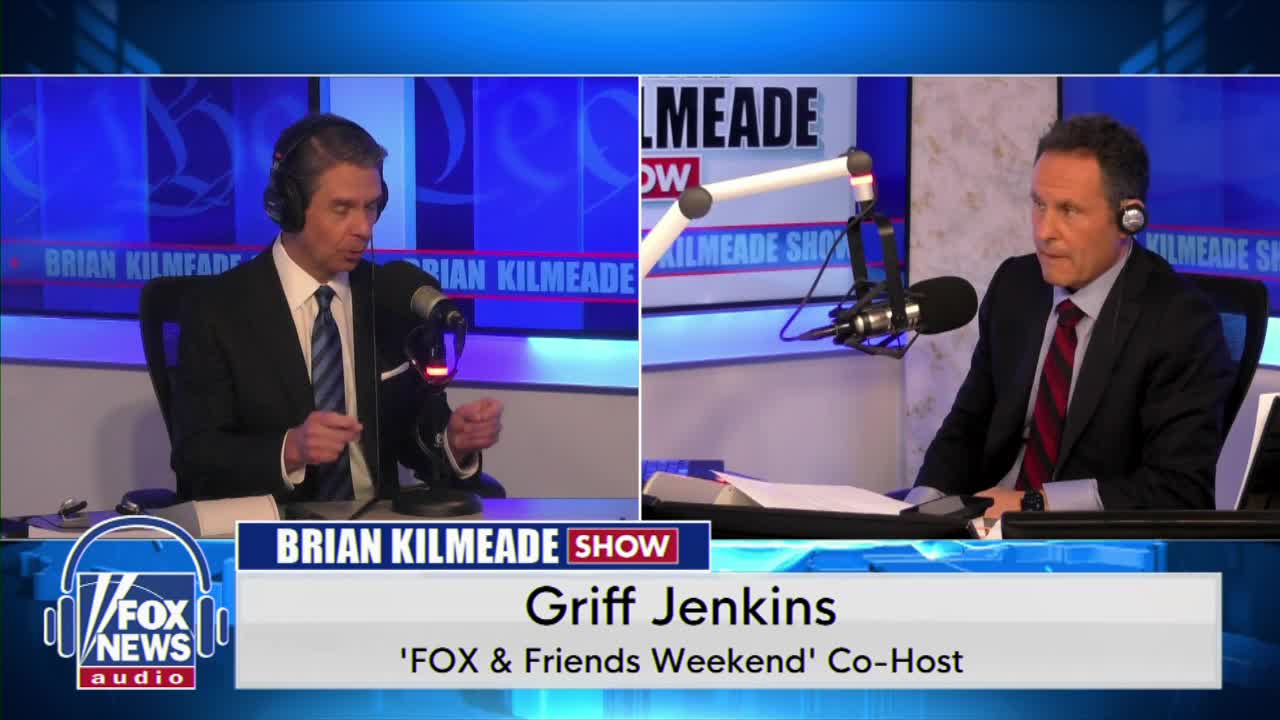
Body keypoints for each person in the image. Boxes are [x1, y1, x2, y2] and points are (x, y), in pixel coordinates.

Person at [910, 114, 1233, 518]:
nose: (1045, 231)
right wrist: (921, 506)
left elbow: (1178, 490)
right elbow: (968, 426)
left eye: (1069, 210)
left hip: (1088, 546)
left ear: (1128, 220)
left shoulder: (1181, 322)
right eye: (1039, 204)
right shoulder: (1016, 285)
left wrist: (1034, 505)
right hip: (985, 532)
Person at [172, 113, 504, 502]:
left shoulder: (389, 298)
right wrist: (290, 449)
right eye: (342, 209)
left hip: (374, 537)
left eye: (371, 207)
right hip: (276, 534)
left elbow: (419, 439)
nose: (364, 228)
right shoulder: (219, 310)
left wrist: (454, 441)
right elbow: (195, 457)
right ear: (289, 206)